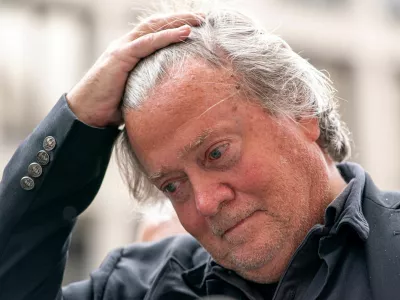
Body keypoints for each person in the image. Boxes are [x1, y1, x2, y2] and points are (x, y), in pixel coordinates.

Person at [0, 7, 399, 300]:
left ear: (300, 109)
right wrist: (77, 121)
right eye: (173, 185)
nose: (206, 203)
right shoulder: (142, 288)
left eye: (216, 153)